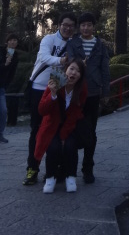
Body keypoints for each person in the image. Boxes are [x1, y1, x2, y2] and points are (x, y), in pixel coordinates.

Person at [22, 12, 77, 186]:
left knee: (56, 129)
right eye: (65, 25)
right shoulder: (48, 39)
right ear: (59, 25)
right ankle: (32, 168)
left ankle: (54, 170)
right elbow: (43, 57)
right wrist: (61, 60)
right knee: (36, 129)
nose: (67, 28)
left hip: (58, 88)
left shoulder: (73, 44)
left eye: (71, 26)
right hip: (39, 87)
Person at [67, 11, 110, 183]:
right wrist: (79, 65)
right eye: (83, 25)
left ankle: (88, 168)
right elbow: (70, 62)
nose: (86, 28)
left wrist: (106, 92)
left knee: (91, 131)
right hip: (76, 91)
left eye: (89, 25)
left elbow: (105, 69)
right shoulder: (73, 43)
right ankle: (69, 168)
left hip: (93, 92)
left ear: (94, 27)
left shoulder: (100, 45)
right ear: (79, 27)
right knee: (71, 129)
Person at [34, 59, 87, 193]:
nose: (73, 73)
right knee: (53, 147)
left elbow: (75, 113)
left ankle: (71, 177)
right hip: (52, 124)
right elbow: (42, 110)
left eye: (78, 71)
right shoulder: (56, 81)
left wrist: (63, 136)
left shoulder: (82, 88)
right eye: (71, 69)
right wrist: (52, 94)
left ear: (81, 76)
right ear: (66, 70)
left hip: (70, 125)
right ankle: (50, 178)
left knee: (70, 146)